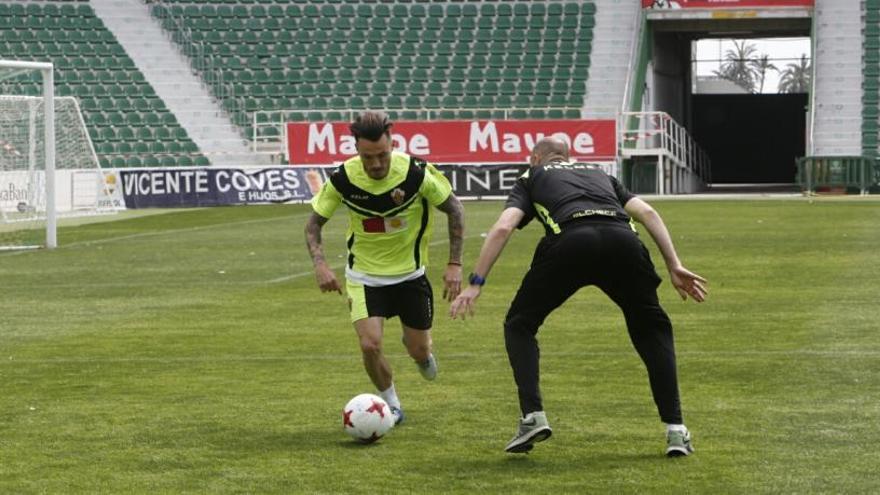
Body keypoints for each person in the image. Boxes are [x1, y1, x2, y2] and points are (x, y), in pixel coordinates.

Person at [450, 137, 706, 456]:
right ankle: (676, 430)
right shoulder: (601, 174)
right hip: (623, 243)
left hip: (570, 243)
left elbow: (503, 227)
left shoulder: (532, 176)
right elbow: (648, 212)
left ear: (534, 158)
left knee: (520, 324)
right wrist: (674, 264)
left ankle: (533, 416)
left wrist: (476, 282)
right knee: (651, 328)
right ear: (569, 157)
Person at [305, 111, 465, 425]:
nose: (376, 164)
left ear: (392, 146)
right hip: (364, 277)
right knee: (369, 344)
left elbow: (455, 210)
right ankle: (391, 405)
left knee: (419, 351)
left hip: (410, 275)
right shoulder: (343, 178)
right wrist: (321, 266)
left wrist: (455, 264)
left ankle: (420, 352)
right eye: (368, 157)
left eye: (382, 155)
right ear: (356, 150)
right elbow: (313, 226)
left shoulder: (416, 174)